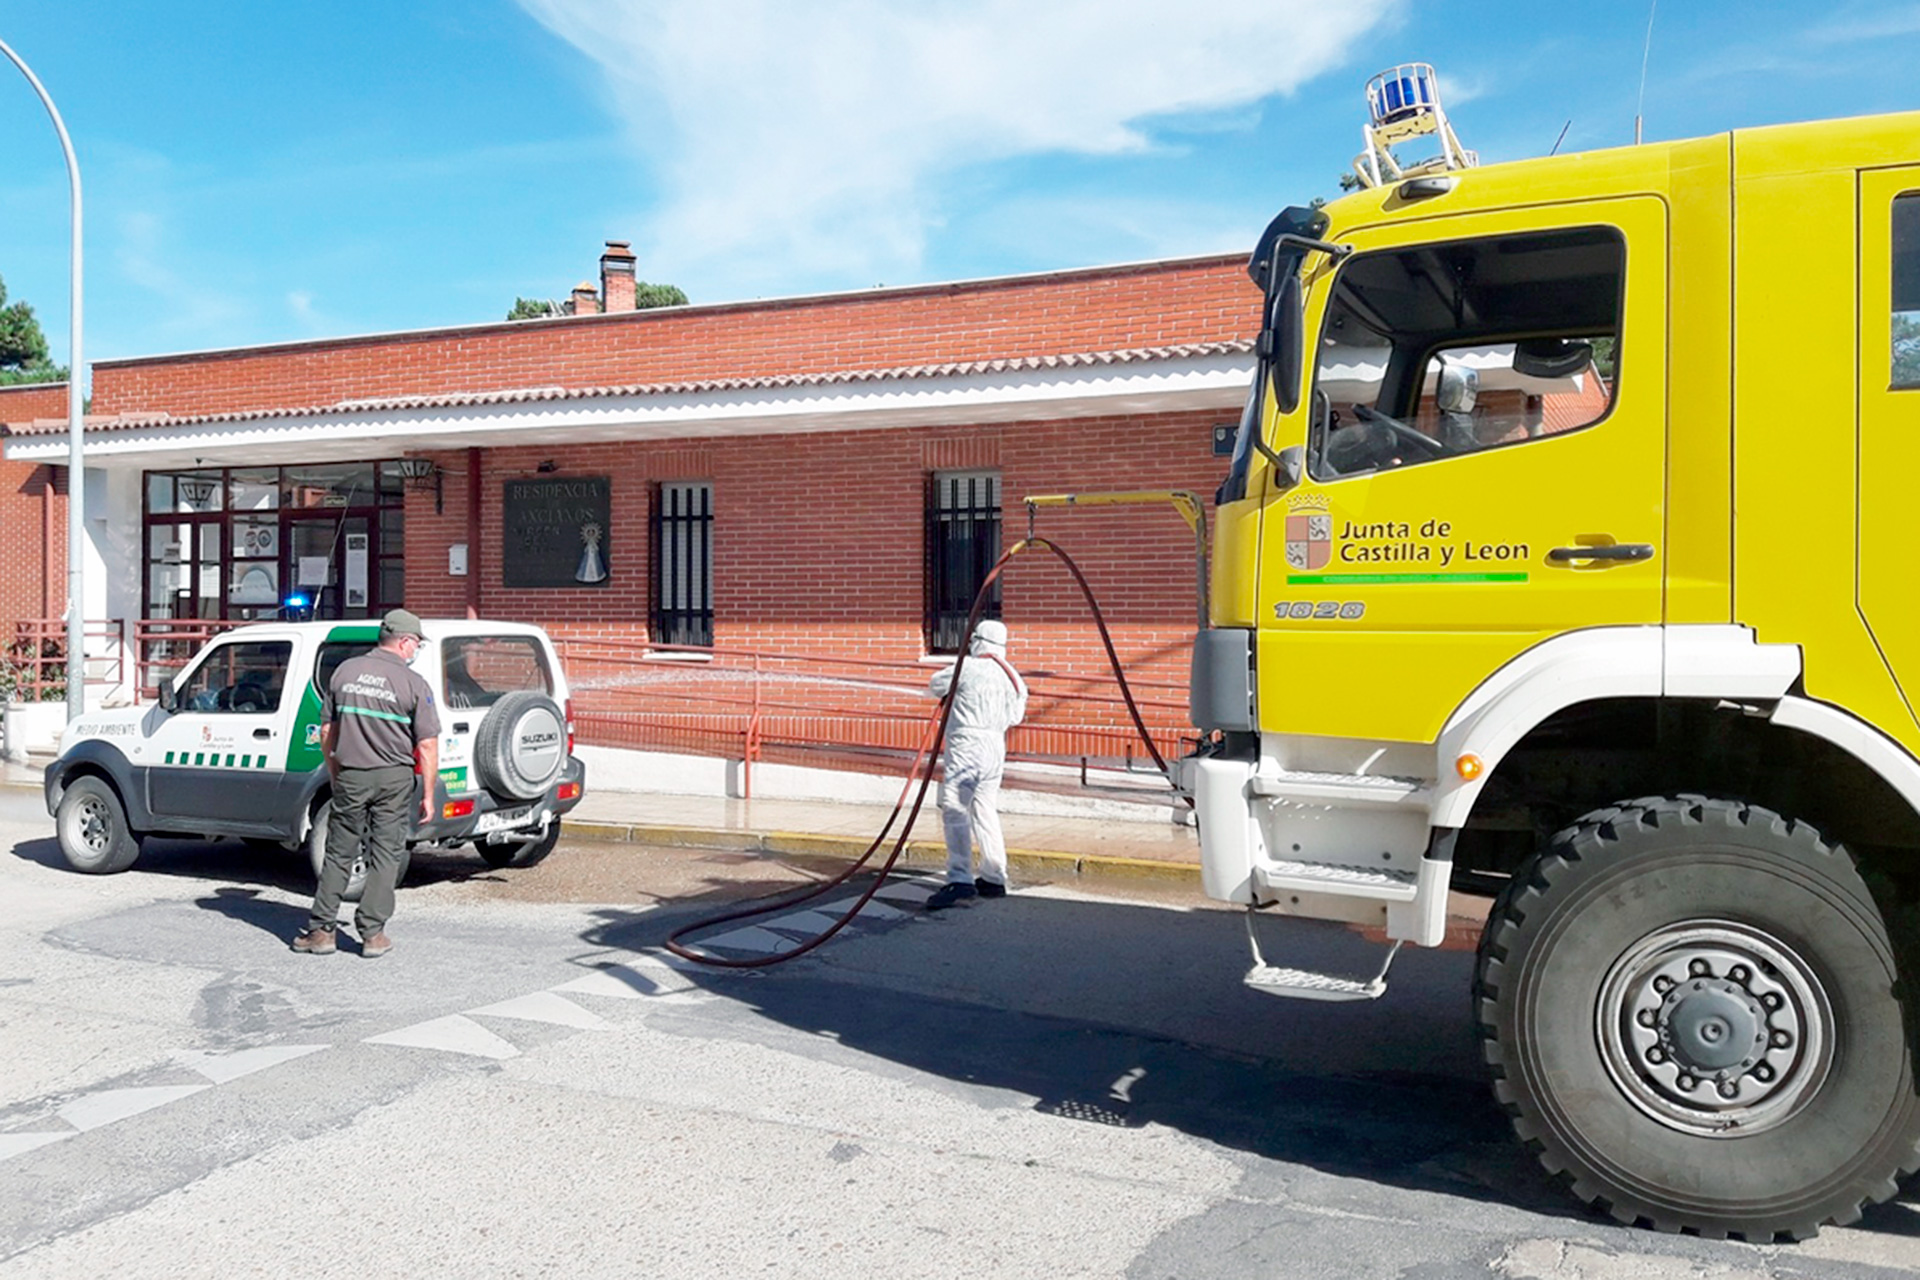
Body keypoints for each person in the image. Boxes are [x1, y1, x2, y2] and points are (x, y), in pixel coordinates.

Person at [293, 608, 441, 957]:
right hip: (394, 777)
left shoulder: (345, 672)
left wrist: (335, 770)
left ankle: (322, 931)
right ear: (404, 642)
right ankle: (373, 934)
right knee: (386, 853)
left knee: (338, 851)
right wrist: (428, 794)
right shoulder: (413, 683)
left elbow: (327, 731)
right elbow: (427, 745)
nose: (416, 650)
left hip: (351, 774)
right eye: (416, 643)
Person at [923, 619, 1028, 911]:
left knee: (956, 809)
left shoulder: (968, 667)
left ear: (978, 641)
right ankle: (994, 876)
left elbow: (936, 684)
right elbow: (1016, 717)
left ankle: (960, 879)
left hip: (967, 744)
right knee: (985, 809)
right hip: (995, 746)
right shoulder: (1013, 677)